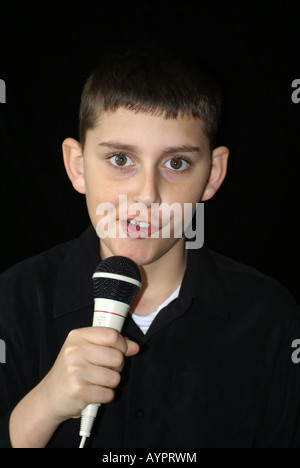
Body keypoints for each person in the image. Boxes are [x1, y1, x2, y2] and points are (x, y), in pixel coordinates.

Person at [1, 44, 300, 448]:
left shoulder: (271, 319)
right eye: (121, 159)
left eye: (176, 163)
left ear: (212, 175)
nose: (146, 195)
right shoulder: (14, 302)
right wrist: (41, 408)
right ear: (77, 166)